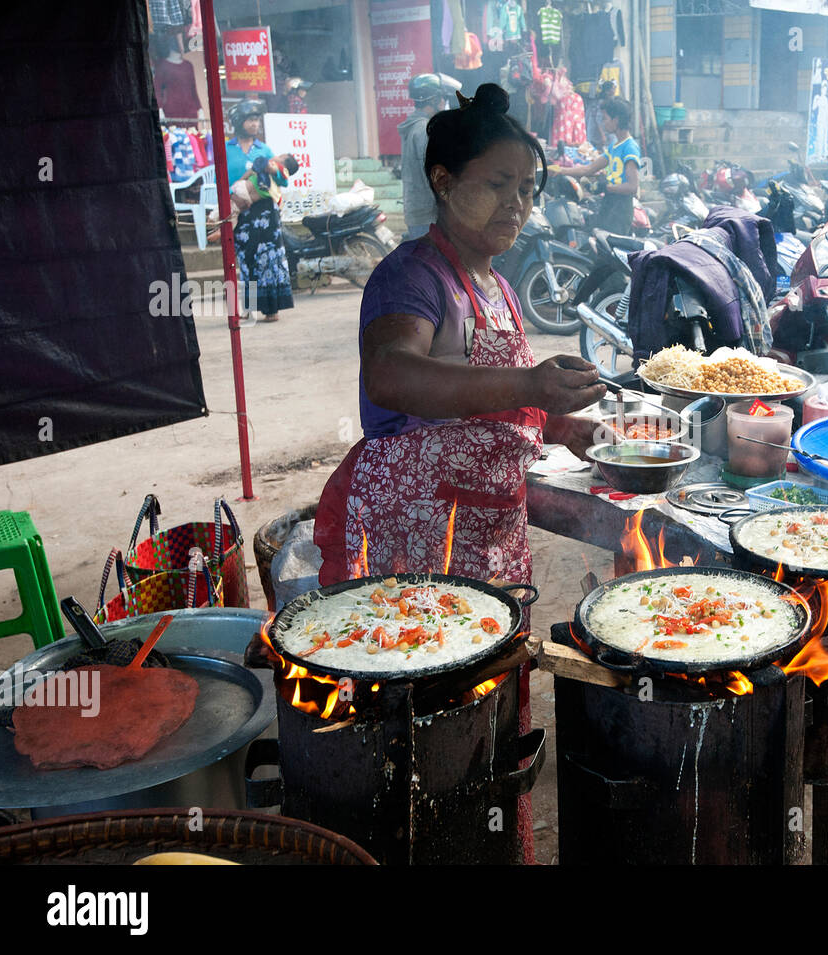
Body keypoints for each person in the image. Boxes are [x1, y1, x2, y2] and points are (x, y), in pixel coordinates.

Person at [312, 84, 603, 864]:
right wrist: (529, 386)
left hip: (490, 538)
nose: (518, 205)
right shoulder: (413, 276)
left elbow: (491, 400)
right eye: (498, 184)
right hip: (418, 543)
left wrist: (561, 423)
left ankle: (488, 843)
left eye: (528, 191)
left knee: (492, 723)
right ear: (443, 180)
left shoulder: (500, 286)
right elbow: (395, 377)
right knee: (426, 719)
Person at [225, 99, 295, 323]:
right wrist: (232, 195)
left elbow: (282, 181)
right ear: (239, 122)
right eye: (250, 120)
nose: (255, 124)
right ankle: (248, 306)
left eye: (257, 120)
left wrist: (273, 170)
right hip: (240, 210)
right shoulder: (226, 149)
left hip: (266, 213)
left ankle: (272, 308)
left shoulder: (265, 149)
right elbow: (220, 179)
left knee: (269, 259)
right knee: (245, 258)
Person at [552, 96, 640, 235]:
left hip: (621, 209)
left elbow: (632, 187)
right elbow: (589, 168)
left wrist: (606, 187)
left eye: (605, 119)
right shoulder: (614, 146)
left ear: (616, 120)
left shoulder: (629, 147)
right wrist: (560, 170)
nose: (603, 124)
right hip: (609, 204)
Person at [399, 73, 460, 240]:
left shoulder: (415, 127)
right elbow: (432, 174)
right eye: (442, 98)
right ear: (433, 100)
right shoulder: (424, 131)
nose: (444, 102)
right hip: (427, 216)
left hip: (419, 212)